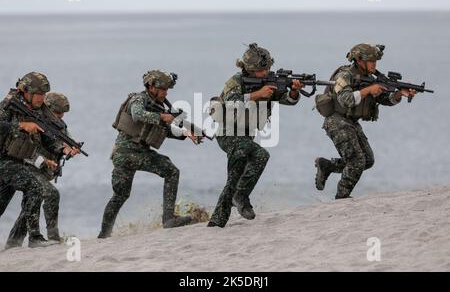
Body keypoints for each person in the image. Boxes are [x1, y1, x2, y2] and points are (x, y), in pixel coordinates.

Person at [207, 43, 304, 228]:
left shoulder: (269, 82)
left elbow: (288, 101)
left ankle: (216, 222)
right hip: (228, 133)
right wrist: (257, 94)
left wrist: (294, 91)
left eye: (268, 68)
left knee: (234, 178)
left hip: (246, 135)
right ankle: (241, 197)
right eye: (262, 69)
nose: (267, 72)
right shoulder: (235, 81)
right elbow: (230, 101)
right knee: (261, 155)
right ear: (250, 69)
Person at [98, 70, 201, 239]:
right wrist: (163, 117)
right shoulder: (138, 99)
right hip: (127, 152)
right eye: (162, 89)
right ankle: (168, 219)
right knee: (170, 171)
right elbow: (138, 115)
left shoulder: (157, 106)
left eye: (167, 90)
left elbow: (165, 131)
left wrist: (186, 134)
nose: (165, 93)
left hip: (131, 153)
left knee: (120, 195)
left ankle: (103, 235)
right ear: (151, 87)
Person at [314, 44, 416, 199]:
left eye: (376, 60)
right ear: (360, 60)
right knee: (356, 161)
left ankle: (327, 166)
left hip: (351, 122)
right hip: (336, 121)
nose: (375, 64)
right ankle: (341, 197)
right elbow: (346, 99)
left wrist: (398, 95)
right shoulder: (343, 75)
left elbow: (384, 99)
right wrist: (368, 90)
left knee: (368, 160)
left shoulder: (371, 78)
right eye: (371, 60)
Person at [0, 72, 68, 248]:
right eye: (38, 94)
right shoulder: (9, 105)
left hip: (17, 161)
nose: (42, 98)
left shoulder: (37, 110)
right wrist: (20, 125)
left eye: (44, 94)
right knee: (35, 186)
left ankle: (15, 244)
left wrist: (63, 148)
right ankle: (35, 238)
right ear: (26, 91)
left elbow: (47, 137)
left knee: (34, 187)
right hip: (3, 161)